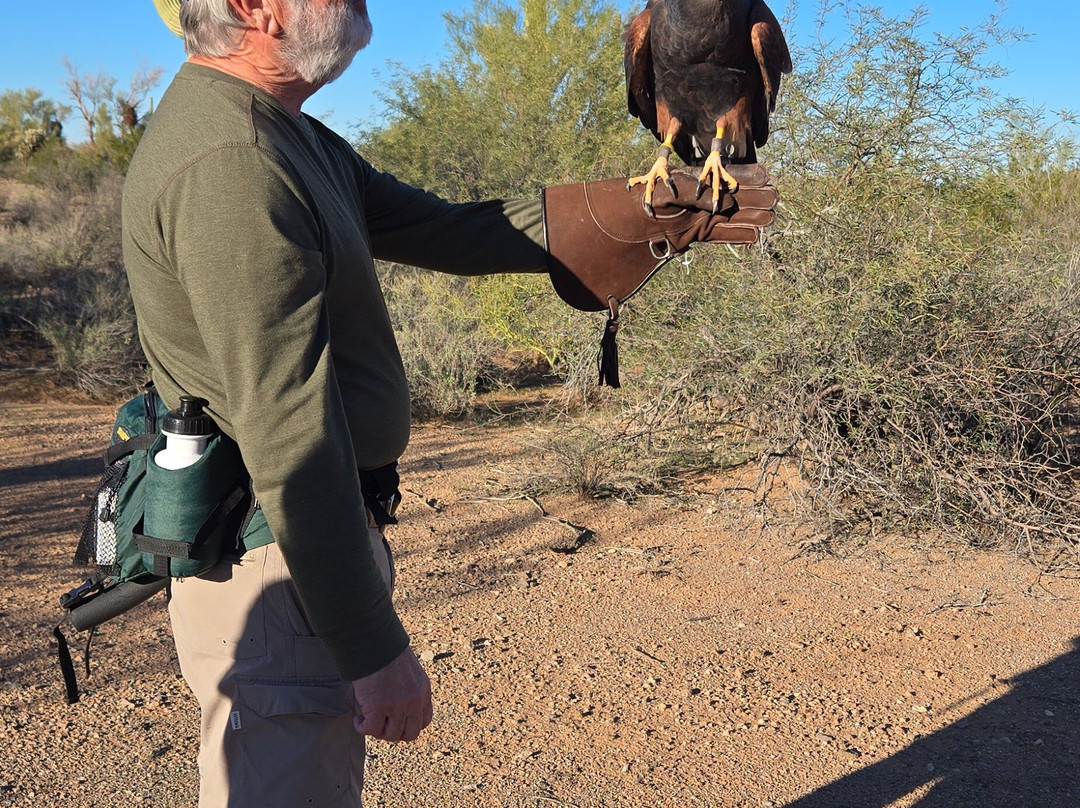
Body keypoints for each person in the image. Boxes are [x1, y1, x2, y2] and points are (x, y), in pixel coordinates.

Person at [127, 1, 777, 805]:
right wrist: (369, 647)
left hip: (299, 552)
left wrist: (641, 212)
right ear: (250, 7)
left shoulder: (284, 132)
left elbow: (440, 229)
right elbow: (285, 425)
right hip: (278, 558)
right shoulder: (233, 159)